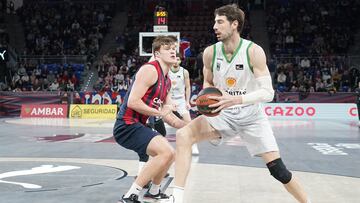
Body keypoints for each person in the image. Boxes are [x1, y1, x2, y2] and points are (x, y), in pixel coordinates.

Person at [173, 4, 311, 203]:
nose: (214, 26)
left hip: (251, 116)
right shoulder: (210, 53)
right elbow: (208, 82)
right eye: (214, 21)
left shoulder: (253, 51)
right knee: (183, 135)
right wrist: (207, 98)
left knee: (278, 170)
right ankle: (176, 197)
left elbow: (268, 93)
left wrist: (236, 99)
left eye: (220, 22)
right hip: (223, 114)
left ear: (234, 24)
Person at [113, 35, 187, 203]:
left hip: (139, 125)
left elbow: (170, 116)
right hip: (126, 125)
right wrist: (159, 113)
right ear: (157, 53)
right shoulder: (149, 70)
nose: (173, 51)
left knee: (170, 154)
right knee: (165, 151)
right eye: (167, 49)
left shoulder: (168, 81)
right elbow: (133, 102)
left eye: (174, 49)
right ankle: (130, 196)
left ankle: (154, 191)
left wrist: (191, 126)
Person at [168, 53, 199, 155]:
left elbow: (188, 87)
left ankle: (194, 146)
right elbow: (164, 87)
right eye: (174, 59)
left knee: (189, 124)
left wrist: (187, 101)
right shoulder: (167, 71)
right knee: (158, 124)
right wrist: (169, 102)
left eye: (178, 59)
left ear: (181, 61)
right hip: (169, 101)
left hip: (180, 101)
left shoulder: (184, 72)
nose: (176, 61)